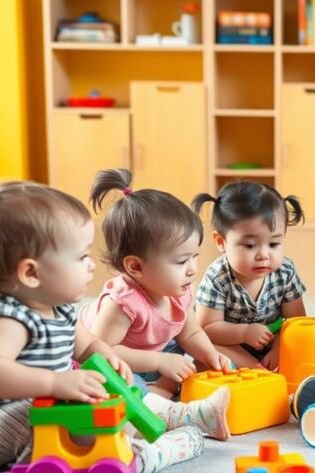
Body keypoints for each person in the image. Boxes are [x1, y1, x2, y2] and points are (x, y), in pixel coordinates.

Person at [0, 181, 203, 473]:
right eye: (80, 257)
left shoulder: (59, 309)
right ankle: (100, 460)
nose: (91, 266)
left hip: (46, 411)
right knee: (47, 418)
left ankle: (136, 450)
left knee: (98, 408)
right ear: (31, 273)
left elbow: (88, 346)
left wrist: (109, 359)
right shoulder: (10, 319)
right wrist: (54, 384)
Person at [80, 169, 232, 440]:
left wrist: (210, 355)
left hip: (156, 349)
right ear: (136, 266)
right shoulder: (122, 304)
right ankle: (171, 411)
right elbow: (102, 354)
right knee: (121, 391)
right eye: (180, 261)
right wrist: (158, 361)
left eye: (194, 257)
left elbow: (191, 332)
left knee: (190, 356)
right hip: (120, 360)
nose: (192, 269)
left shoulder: (179, 288)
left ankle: (161, 391)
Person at [194, 181, 307, 370]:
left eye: (273, 244)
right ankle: (251, 371)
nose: (263, 255)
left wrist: (279, 349)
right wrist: (245, 333)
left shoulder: (285, 271)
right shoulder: (217, 278)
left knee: (309, 338)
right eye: (250, 245)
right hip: (230, 345)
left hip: (272, 343)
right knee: (203, 351)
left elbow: (296, 320)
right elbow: (207, 329)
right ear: (221, 242)